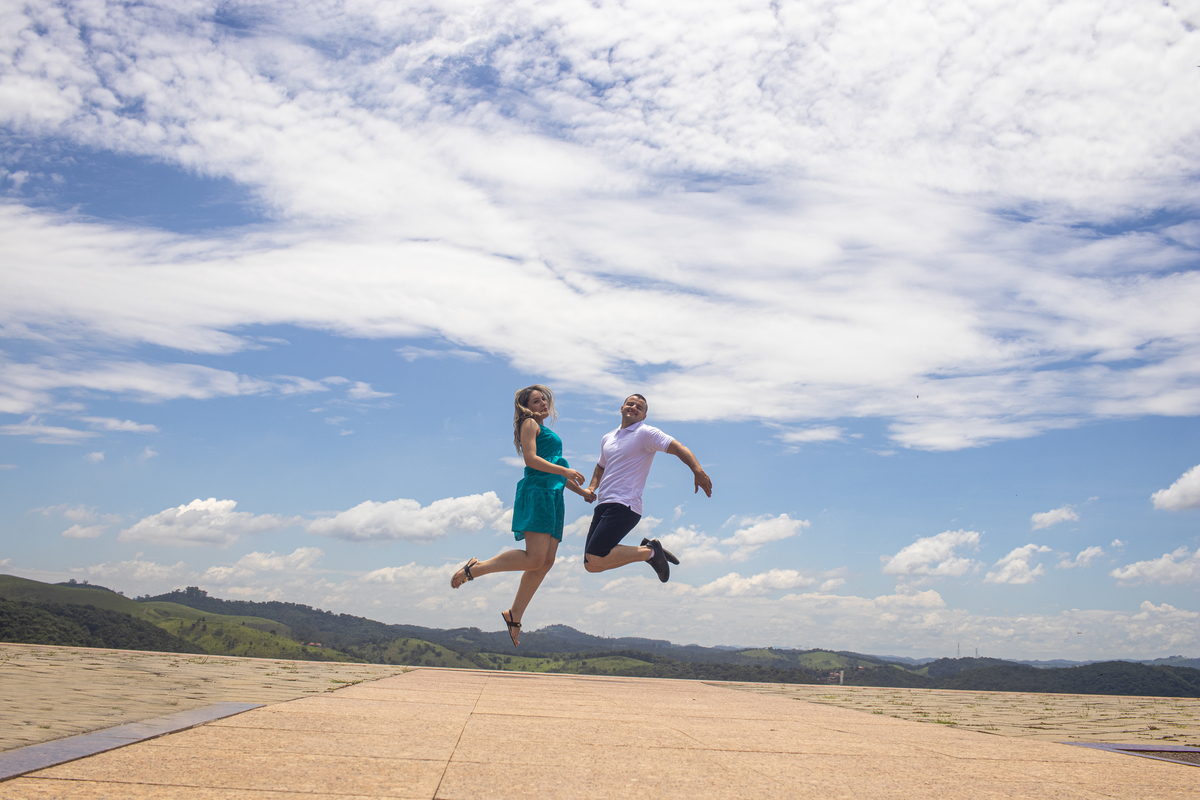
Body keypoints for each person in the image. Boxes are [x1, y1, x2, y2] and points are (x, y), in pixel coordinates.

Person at [450, 385, 592, 647]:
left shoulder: (546, 430)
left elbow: (556, 469)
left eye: (544, 399)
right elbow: (531, 459)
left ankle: (514, 614)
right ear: (526, 407)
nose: (543, 403)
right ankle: (475, 568)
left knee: (545, 562)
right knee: (534, 558)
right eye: (536, 401)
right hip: (538, 493)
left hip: (553, 496)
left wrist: (581, 491)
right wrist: (566, 473)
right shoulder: (529, 423)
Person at [582, 394, 712, 582]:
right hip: (603, 503)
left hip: (625, 504)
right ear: (622, 408)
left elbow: (678, 447)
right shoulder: (607, 438)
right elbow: (601, 466)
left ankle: (651, 552)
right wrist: (592, 487)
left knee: (595, 556)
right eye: (630, 404)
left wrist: (697, 470)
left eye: (639, 407)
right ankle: (649, 551)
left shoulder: (646, 433)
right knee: (591, 564)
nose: (634, 407)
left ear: (643, 416)